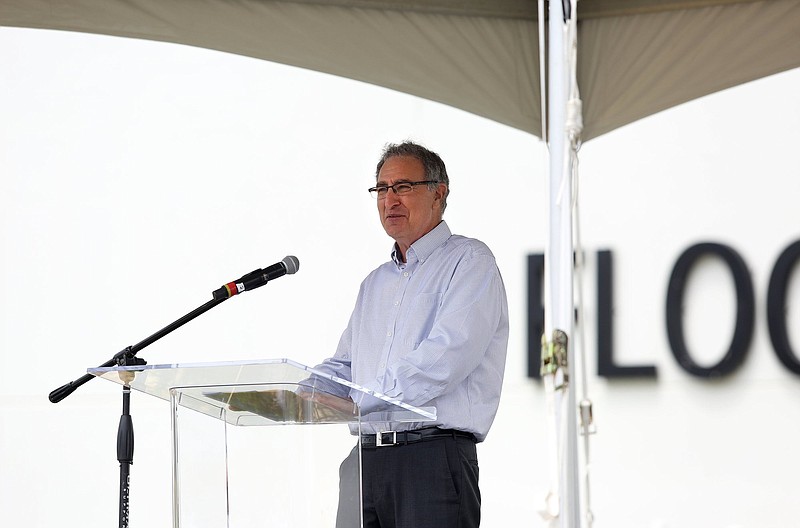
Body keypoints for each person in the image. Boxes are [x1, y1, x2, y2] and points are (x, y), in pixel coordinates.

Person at [312, 141, 509, 528]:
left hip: (430, 459)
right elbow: (346, 365)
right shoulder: (375, 283)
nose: (390, 200)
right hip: (365, 460)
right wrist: (292, 393)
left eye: (402, 187)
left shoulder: (470, 262)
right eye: (382, 189)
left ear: (439, 192)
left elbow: (445, 358)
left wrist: (358, 402)